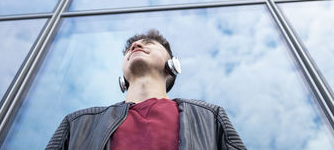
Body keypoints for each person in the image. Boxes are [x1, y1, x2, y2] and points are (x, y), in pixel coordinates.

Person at [46, 29, 247, 150]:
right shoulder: (78, 123)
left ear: (173, 64)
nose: (135, 45)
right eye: (129, 49)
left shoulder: (208, 116)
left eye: (148, 43)